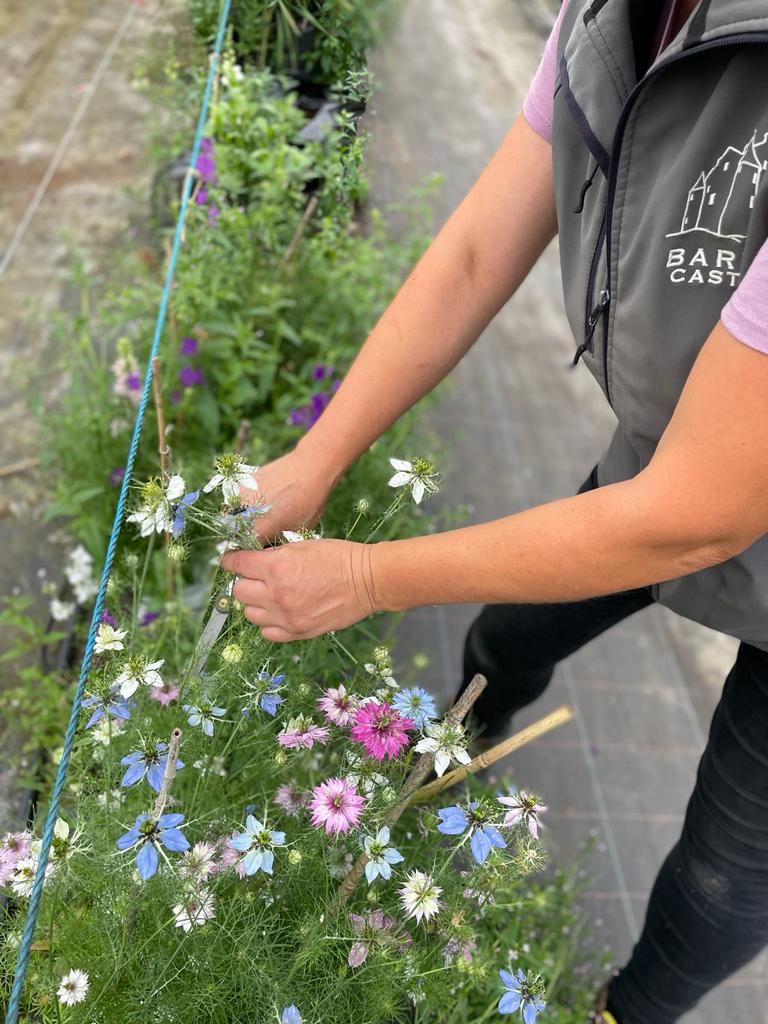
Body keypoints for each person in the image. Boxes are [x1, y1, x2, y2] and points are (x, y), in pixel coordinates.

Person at [221, 1, 768, 1019]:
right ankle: (451, 759)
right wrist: (317, 453)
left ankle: (629, 1006)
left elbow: (698, 515)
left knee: (730, 865)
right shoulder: (608, 18)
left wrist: (369, 576)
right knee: (506, 633)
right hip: (679, 457)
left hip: (706, 488)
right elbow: (479, 249)